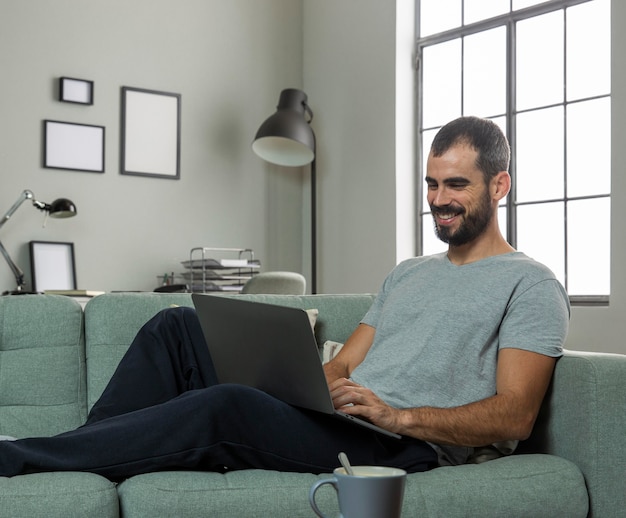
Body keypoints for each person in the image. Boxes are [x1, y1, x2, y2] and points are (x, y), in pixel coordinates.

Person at [0, 116, 569, 479]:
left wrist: (399, 416)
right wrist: (306, 383)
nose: (438, 200)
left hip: (400, 447)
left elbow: (514, 415)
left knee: (225, 406)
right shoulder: (409, 273)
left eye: (456, 185)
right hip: (340, 419)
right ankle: (77, 451)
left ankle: (23, 456)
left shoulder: (530, 284)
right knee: (175, 327)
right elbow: (346, 361)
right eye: (430, 184)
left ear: (500, 185)